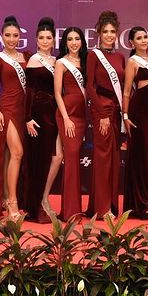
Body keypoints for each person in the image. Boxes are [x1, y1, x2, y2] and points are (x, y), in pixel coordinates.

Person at [0, 16, 30, 219]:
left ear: (20, 37)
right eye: (8, 35)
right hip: (7, 110)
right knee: (17, 153)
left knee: (12, 156)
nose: (12, 39)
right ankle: (12, 202)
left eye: (15, 35)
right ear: (1, 36)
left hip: (23, 111)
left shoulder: (27, 57)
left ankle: (5, 197)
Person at [86, 10, 125, 218]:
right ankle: (102, 209)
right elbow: (89, 86)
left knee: (114, 157)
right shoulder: (93, 55)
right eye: (105, 31)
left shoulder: (120, 57)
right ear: (99, 33)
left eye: (113, 31)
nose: (109, 35)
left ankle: (109, 204)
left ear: (117, 33)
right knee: (102, 158)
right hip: (102, 109)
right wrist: (101, 114)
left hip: (116, 110)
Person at [23, 17, 60, 221]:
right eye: (42, 38)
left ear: (54, 40)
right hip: (38, 114)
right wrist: (28, 118)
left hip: (53, 112)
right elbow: (29, 90)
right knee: (39, 160)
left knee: (55, 157)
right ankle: (36, 205)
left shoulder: (56, 61)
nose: (45, 41)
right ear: (36, 40)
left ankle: (43, 199)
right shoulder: (34, 60)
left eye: (49, 38)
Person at [122, 26, 148, 219]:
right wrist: (126, 116)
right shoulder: (132, 62)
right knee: (140, 157)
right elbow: (127, 91)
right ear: (132, 43)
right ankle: (139, 205)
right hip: (139, 113)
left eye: (145, 36)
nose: (144, 40)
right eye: (139, 38)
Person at [52, 27, 87, 219]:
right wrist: (65, 118)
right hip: (68, 115)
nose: (74, 42)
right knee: (72, 159)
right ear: (65, 42)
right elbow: (57, 92)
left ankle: (72, 209)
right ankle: (71, 211)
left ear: (82, 41)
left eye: (77, 39)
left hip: (83, 116)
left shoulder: (86, 61)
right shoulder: (61, 63)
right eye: (70, 39)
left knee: (74, 160)